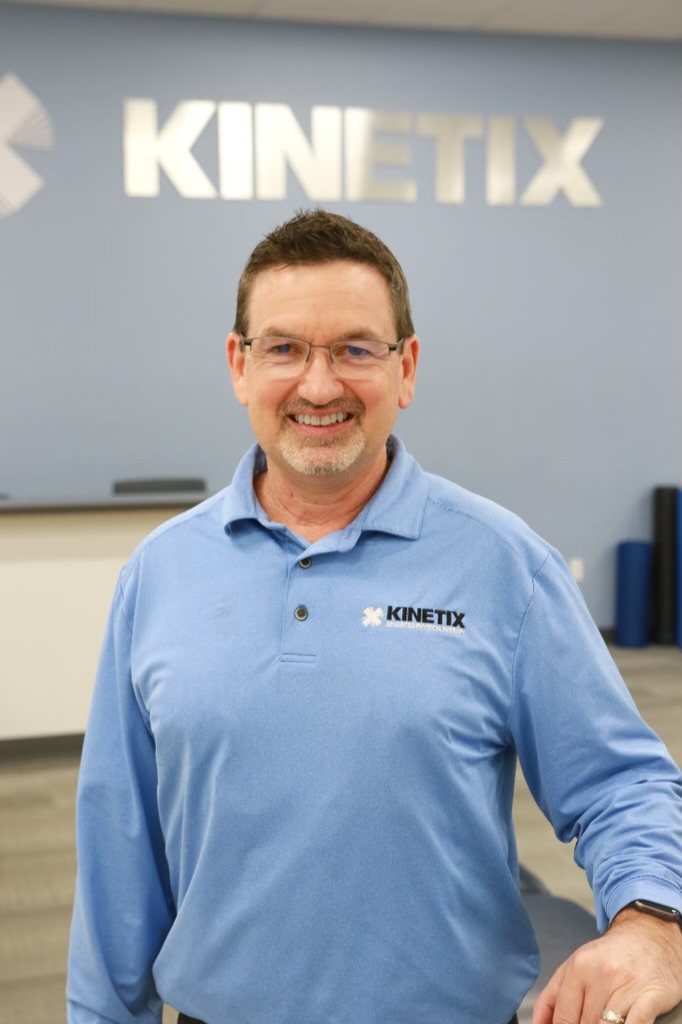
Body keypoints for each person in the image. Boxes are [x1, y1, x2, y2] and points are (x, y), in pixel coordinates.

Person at [67, 209, 682, 1024]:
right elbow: (120, 843)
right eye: (284, 348)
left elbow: (621, 784)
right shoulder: (159, 574)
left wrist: (651, 921)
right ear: (240, 366)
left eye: (355, 349)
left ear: (406, 369)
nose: (319, 386)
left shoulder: (506, 566)